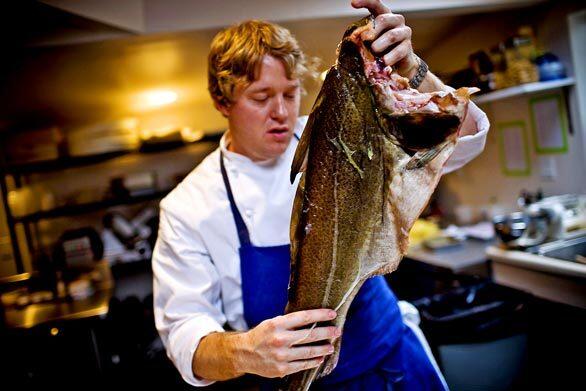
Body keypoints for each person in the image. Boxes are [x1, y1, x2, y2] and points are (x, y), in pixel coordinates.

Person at [153, 0, 490, 389]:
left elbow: (461, 143)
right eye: (260, 98)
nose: (280, 111)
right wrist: (246, 351)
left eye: (290, 93)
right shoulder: (187, 206)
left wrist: (413, 71)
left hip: (392, 363)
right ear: (221, 102)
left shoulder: (337, 135)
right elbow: (183, 335)